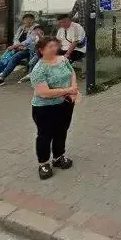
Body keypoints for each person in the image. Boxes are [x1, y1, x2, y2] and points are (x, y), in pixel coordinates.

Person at [29, 36, 79, 179]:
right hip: (45, 108)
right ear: (41, 50)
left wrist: (73, 89)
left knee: (62, 130)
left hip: (65, 104)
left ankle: (58, 156)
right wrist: (68, 90)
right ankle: (43, 163)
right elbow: (44, 93)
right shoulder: (39, 69)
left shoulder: (62, 59)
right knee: (45, 135)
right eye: (49, 47)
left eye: (55, 46)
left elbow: (71, 73)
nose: (54, 49)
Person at [0, 14, 38, 86]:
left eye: (28, 20)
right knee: (5, 56)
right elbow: (16, 38)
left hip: (31, 49)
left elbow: (30, 41)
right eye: (25, 20)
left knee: (15, 56)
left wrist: (17, 46)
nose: (26, 22)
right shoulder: (22, 28)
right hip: (19, 47)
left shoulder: (37, 28)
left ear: (33, 20)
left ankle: (2, 77)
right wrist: (16, 46)